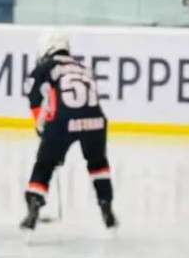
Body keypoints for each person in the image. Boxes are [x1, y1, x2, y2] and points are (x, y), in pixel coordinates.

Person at [20, 31, 117, 230]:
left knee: (44, 164)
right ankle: (106, 205)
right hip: (96, 121)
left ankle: (33, 208)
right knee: (98, 163)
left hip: (63, 121)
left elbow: (35, 98)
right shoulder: (83, 67)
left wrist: (43, 132)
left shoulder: (44, 67)